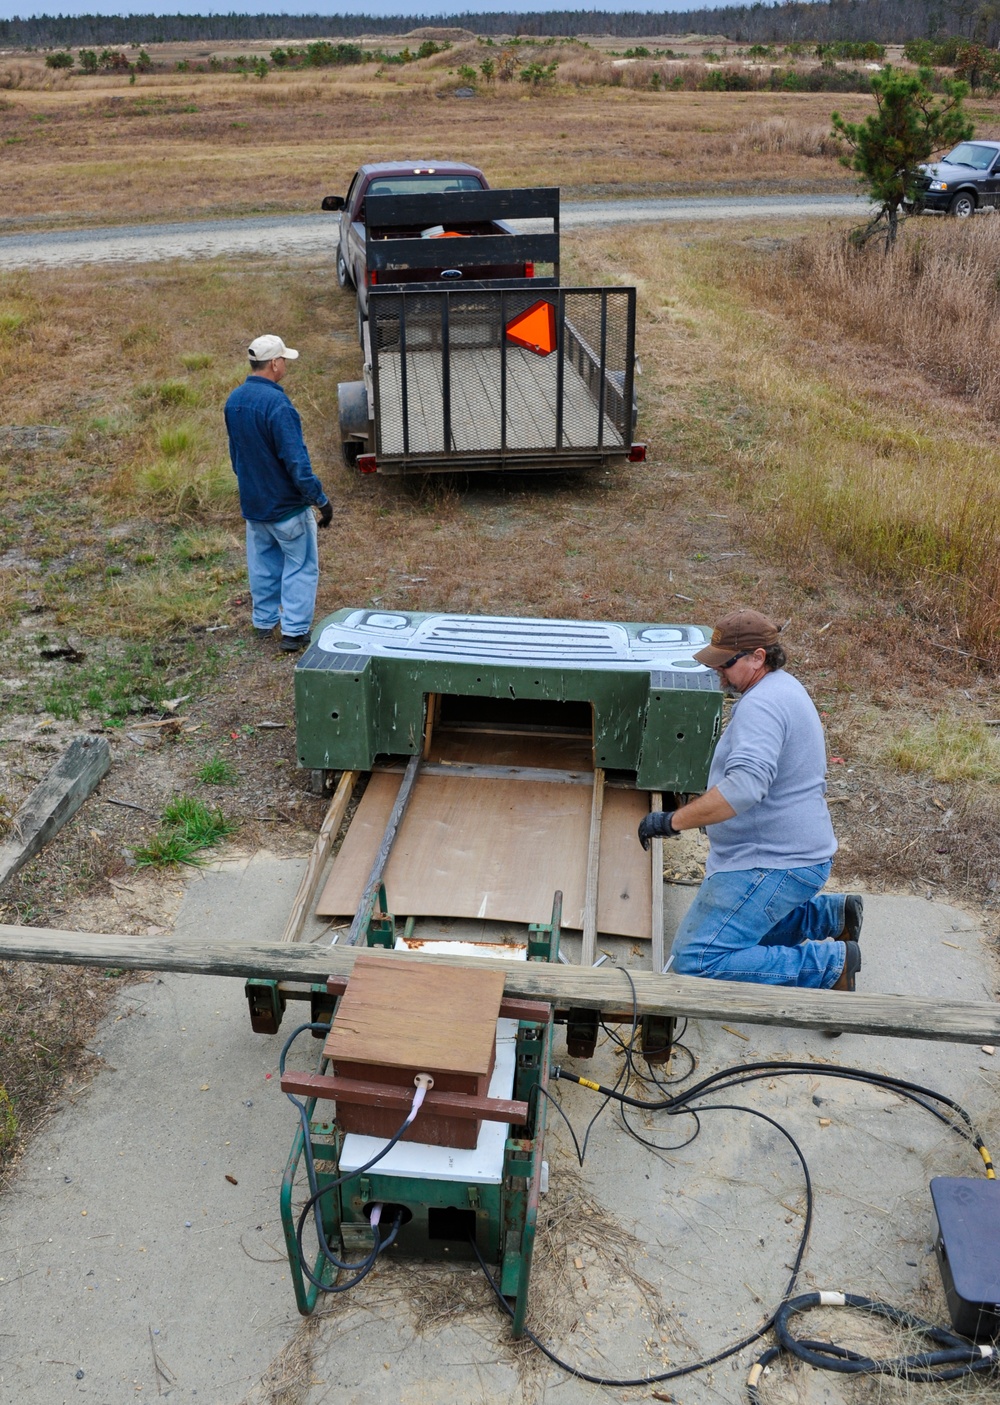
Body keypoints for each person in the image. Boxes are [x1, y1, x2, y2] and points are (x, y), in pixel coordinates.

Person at [638, 609, 862, 993]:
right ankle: (831, 917)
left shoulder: (762, 706)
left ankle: (830, 966)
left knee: (697, 959)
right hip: (794, 852)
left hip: (774, 862)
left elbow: (744, 788)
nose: (718, 671)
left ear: (758, 657)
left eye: (725, 663)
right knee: (737, 930)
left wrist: (671, 822)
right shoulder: (782, 686)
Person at [224, 334, 333, 653]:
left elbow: (236, 457)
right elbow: (296, 461)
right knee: (300, 565)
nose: (285, 364)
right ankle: (294, 632)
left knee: (263, 567)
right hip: (287, 508)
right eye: (284, 359)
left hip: (254, 506)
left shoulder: (234, 400)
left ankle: (263, 622)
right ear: (274, 363)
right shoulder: (278, 405)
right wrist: (320, 499)